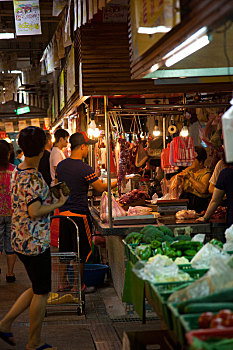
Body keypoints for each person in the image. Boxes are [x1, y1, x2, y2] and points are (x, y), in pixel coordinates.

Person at [0, 126, 68, 350]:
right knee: (41, 292)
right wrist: (58, 203)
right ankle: (34, 342)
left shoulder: (18, 170)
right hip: (34, 242)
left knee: (37, 286)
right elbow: (34, 211)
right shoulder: (34, 177)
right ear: (42, 150)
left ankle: (6, 322)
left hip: (20, 239)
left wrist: (51, 194)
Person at [56, 131, 117, 293]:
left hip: (63, 214)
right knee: (81, 251)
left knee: (66, 250)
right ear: (82, 147)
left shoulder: (61, 166)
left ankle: (62, 283)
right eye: (86, 147)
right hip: (79, 215)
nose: (87, 150)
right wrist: (118, 181)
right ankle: (78, 285)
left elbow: (58, 186)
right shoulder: (84, 168)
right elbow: (100, 187)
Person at [176, 146, 212, 213]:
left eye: (192, 160)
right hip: (186, 208)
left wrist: (189, 178)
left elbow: (203, 189)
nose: (190, 162)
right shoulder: (188, 171)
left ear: (200, 161)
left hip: (200, 208)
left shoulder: (206, 173)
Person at [0, 140, 16, 282]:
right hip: (12, 213)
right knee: (10, 244)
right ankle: (10, 274)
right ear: (9, 154)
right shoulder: (15, 171)